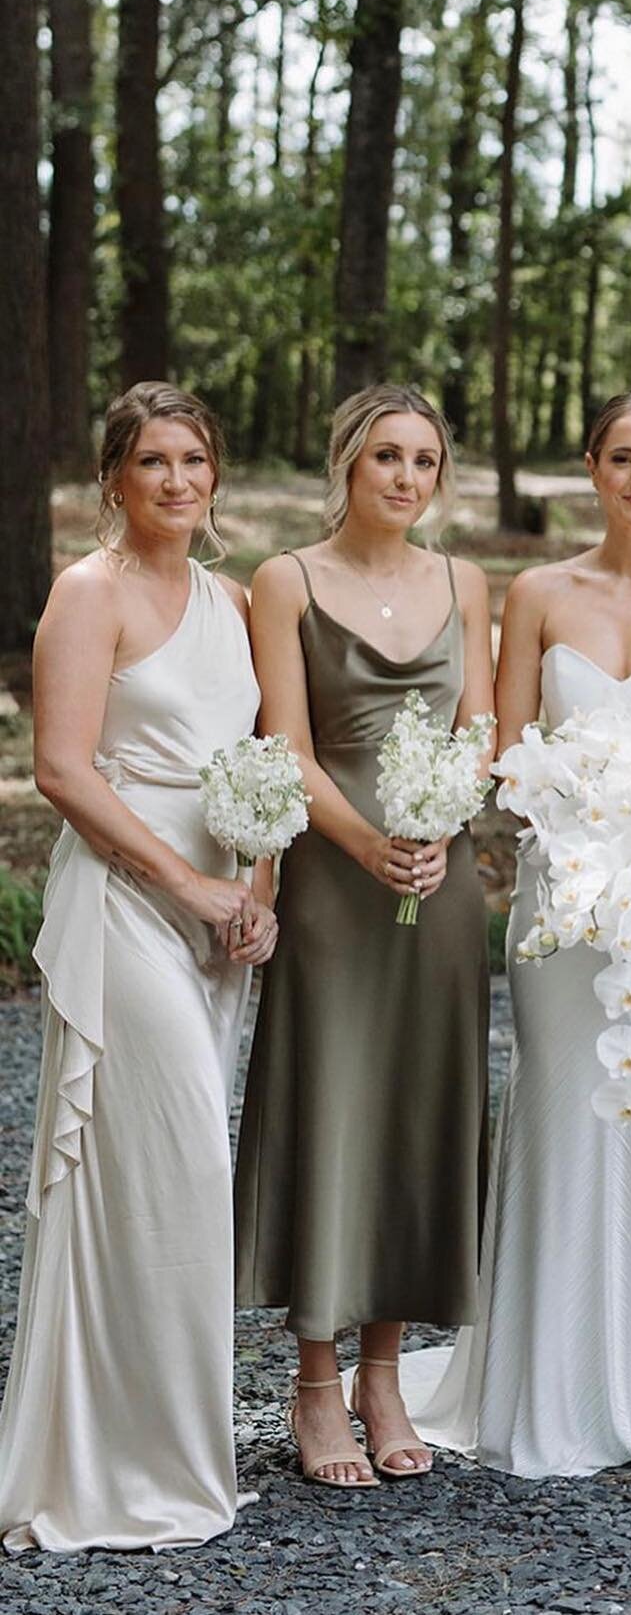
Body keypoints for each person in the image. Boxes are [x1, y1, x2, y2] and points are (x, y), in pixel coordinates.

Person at [395, 388, 631, 1477]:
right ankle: (549, 1381)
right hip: (567, 897)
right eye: (620, 457)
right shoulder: (542, 591)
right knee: (567, 1105)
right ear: (592, 468)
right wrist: (571, 800)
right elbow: (506, 747)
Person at [0, 383, 275, 1551]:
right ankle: (116, 1465)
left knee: (165, 1178)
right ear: (112, 477)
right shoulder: (87, 592)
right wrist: (190, 883)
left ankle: (166, 1442)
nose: (176, 480)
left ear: (216, 477)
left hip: (218, 914)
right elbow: (64, 768)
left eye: (194, 460)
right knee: (178, 1168)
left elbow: (259, 759)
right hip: (125, 903)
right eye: (152, 461)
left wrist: (253, 886)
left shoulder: (236, 597)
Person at [234, 383, 493, 1486]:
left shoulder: (465, 579)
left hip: (440, 884)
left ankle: (386, 1371)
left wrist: (442, 823)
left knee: (411, 1111)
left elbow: (480, 730)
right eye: (386, 455)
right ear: (346, 461)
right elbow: (285, 745)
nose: (405, 477)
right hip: (337, 885)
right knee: (332, 1102)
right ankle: (313, 1381)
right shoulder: (283, 580)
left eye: (425, 460)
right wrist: (365, 842)